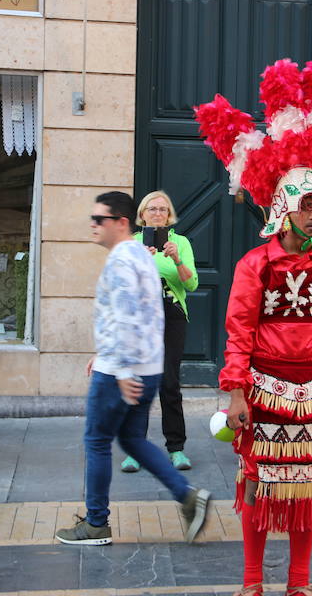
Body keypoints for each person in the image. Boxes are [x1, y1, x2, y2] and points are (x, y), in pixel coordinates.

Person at [196, 57, 312, 596]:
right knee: (259, 491)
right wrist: (234, 392)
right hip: (264, 391)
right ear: (283, 207)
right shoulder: (253, 266)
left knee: (309, 493)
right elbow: (237, 332)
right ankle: (253, 582)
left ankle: (299, 583)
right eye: (307, 207)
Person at [55, 191, 210, 546]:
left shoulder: (125, 259)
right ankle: (187, 497)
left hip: (120, 370)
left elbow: (126, 314)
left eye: (100, 219)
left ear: (121, 222)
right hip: (143, 363)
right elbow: (144, 313)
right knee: (131, 439)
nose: (94, 225)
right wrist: (113, 354)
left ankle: (96, 524)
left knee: (96, 441)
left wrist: (121, 367)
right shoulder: (140, 255)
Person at [120, 190, 198, 473]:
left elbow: (191, 285)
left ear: (169, 215)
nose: (157, 213)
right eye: (151, 209)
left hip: (172, 314)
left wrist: (176, 260)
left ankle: (176, 448)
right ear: (142, 215)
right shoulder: (132, 244)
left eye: (162, 209)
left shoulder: (181, 243)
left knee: (169, 382)